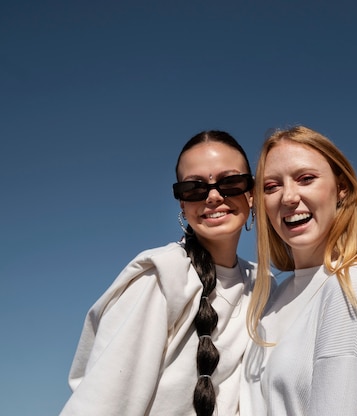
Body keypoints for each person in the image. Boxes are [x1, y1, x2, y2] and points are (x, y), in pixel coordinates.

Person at [60, 130, 257, 416]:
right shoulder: (160, 278)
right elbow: (102, 402)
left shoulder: (263, 287)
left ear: (251, 194)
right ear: (182, 203)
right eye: (194, 188)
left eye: (231, 182)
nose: (214, 196)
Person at [240, 126, 357, 416]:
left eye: (306, 179)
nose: (289, 197)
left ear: (341, 188)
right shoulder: (275, 296)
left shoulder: (352, 282)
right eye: (271, 186)